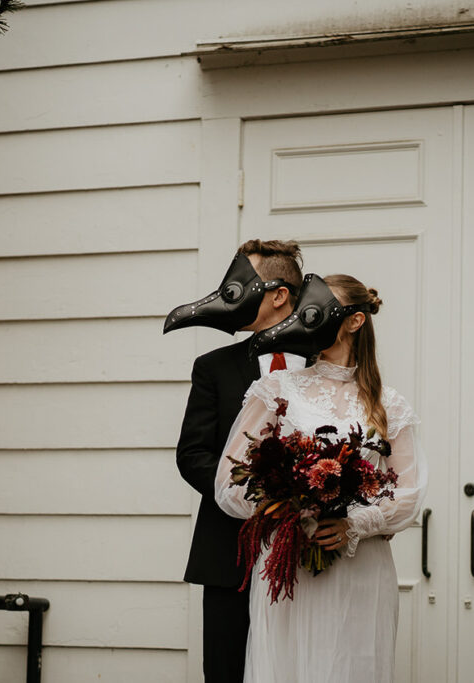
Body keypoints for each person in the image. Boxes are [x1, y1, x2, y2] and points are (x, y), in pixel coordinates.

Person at [214, 274, 428, 683]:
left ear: (354, 320)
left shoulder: (388, 404)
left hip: (358, 567)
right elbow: (229, 479)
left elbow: (409, 493)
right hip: (289, 561)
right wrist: (289, 505)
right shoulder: (276, 389)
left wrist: (354, 524)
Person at [173, 240, 306, 683]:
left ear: (278, 293)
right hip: (230, 557)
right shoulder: (212, 368)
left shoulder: (326, 367)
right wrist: (256, 499)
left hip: (312, 558)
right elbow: (193, 456)